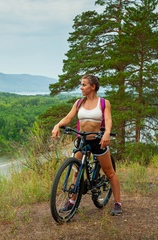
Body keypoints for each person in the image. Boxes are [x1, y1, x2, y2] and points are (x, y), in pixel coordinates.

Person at [52, 74, 122, 216]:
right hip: (82, 139)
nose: (81, 87)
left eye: (84, 85)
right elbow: (68, 117)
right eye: (81, 84)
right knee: (76, 170)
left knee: (109, 173)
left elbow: (108, 120)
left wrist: (107, 133)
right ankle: (72, 202)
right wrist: (57, 125)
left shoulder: (103, 103)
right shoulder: (79, 103)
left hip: (98, 141)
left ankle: (117, 203)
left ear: (93, 87)